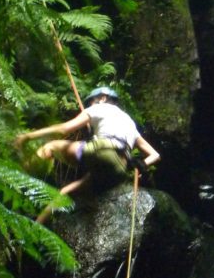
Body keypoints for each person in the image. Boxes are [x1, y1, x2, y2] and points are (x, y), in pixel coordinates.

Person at [15, 87, 161, 222]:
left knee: (51, 147)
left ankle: (16, 175)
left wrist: (28, 136)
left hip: (102, 150)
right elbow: (155, 155)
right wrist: (140, 164)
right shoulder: (130, 123)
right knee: (67, 191)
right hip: (119, 170)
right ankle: (37, 225)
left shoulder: (100, 107)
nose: (90, 104)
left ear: (103, 98)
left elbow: (63, 129)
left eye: (91, 101)